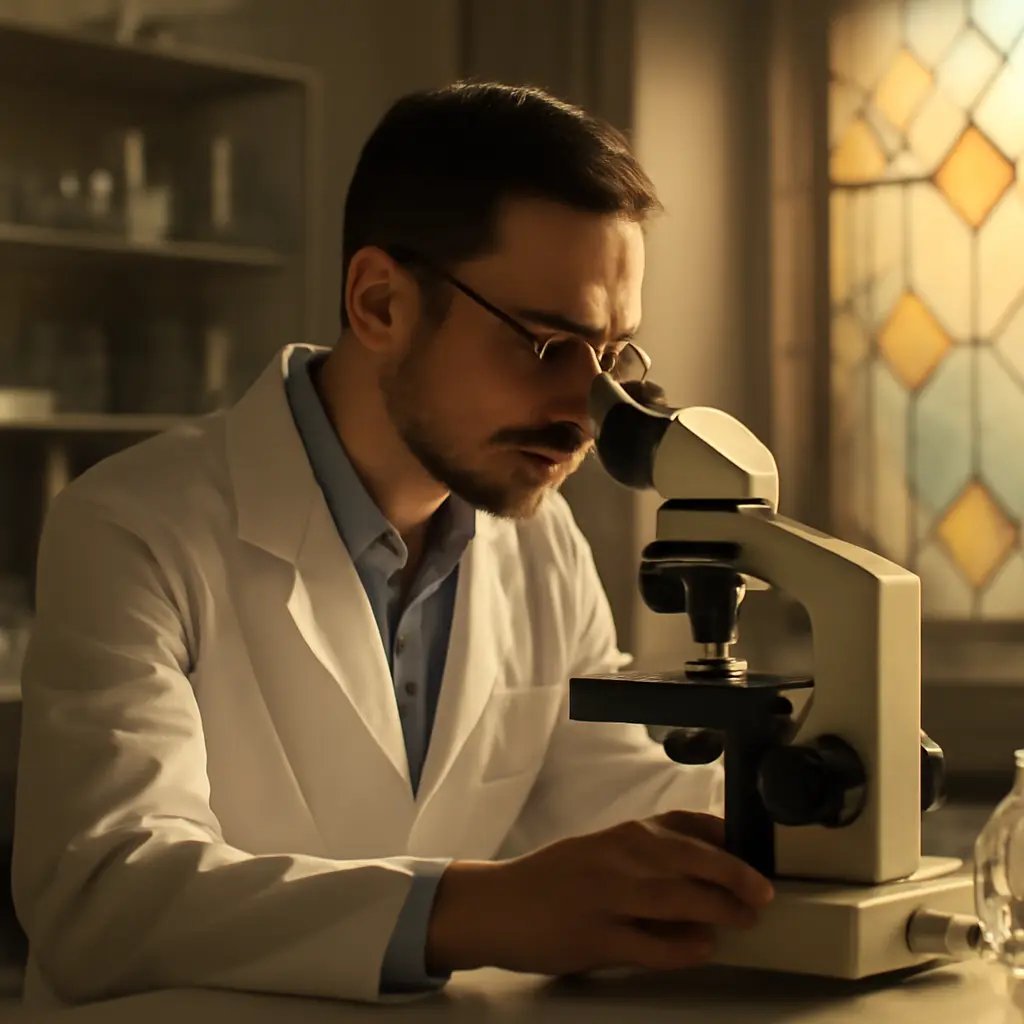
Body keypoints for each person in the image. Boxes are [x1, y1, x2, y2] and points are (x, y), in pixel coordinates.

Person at [11, 81, 774, 1008]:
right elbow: (106, 897)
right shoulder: (132, 525)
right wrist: (483, 910)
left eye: (615, 358)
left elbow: (611, 798)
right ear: (380, 303)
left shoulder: (540, 542)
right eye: (546, 347)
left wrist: (821, 812)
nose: (587, 414)